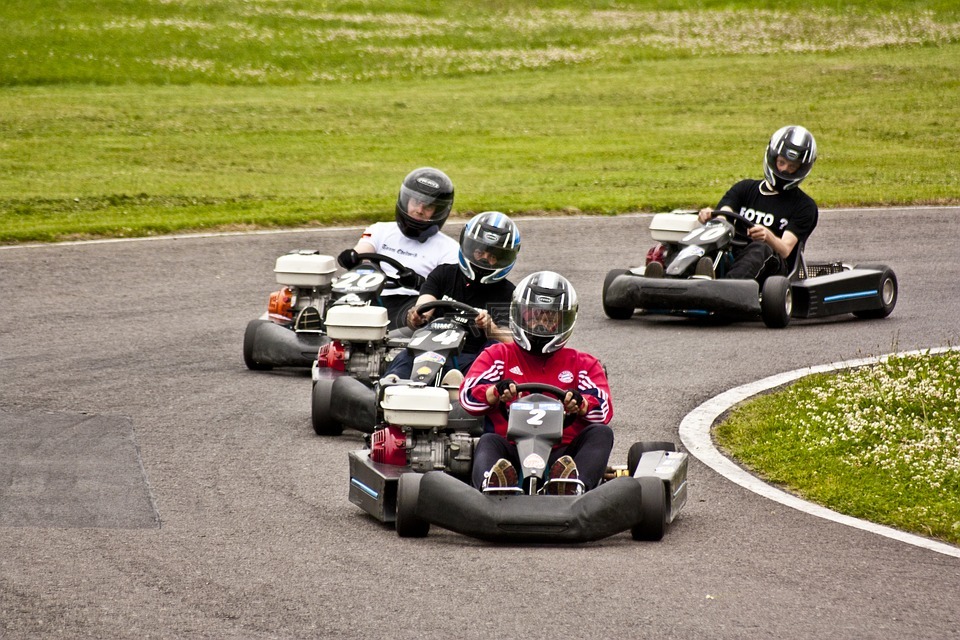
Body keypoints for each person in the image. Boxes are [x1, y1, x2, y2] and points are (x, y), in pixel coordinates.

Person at [458, 271, 614, 495]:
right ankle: (494, 487)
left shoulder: (583, 363)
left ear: (564, 322)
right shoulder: (498, 355)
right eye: (534, 316)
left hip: (564, 456)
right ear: (519, 314)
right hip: (509, 451)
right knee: (488, 440)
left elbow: (604, 411)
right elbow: (468, 398)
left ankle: (572, 486)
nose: (541, 324)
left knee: (601, 433)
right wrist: (495, 392)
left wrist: (580, 404)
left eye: (550, 319)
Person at [384, 211, 521, 380]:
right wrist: (417, 317)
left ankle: (458, 389)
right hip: (427, 351)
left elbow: (511, 342)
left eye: (492, 256)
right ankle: (390, 387)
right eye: (479, 252)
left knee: (494, 351)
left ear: (504, 258)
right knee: (404, 358)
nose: (484, 259)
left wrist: (490, 327)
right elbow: (423, 307)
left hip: (472, 358)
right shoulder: (444, 274)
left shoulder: (507, 293)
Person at [690, 125, 819, 284]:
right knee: (701, 237)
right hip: (733, 256)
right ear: (772, 158)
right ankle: (672, 276)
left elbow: (785, 249)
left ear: (802, 169)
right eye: (781, 162)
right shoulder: (744, 189)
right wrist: (710, 215)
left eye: (792, 167)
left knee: (760, 248)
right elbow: (724, 214)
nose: (785, 170)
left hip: (773, 269)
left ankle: (725, 288)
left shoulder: (804, 206)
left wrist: (768, 236)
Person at [338, 167, 459, 329]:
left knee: (414, 319)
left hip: (411, 303)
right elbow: (363, 251)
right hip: (370, 297)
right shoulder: (379, 230)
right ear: (406, 200)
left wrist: (418, 283)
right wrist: (351, 257)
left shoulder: (449, 249)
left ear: (439, 211)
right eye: (416, 202)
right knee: (338, 306)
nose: (419, 210)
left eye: (428, 207)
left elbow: (446, 293)